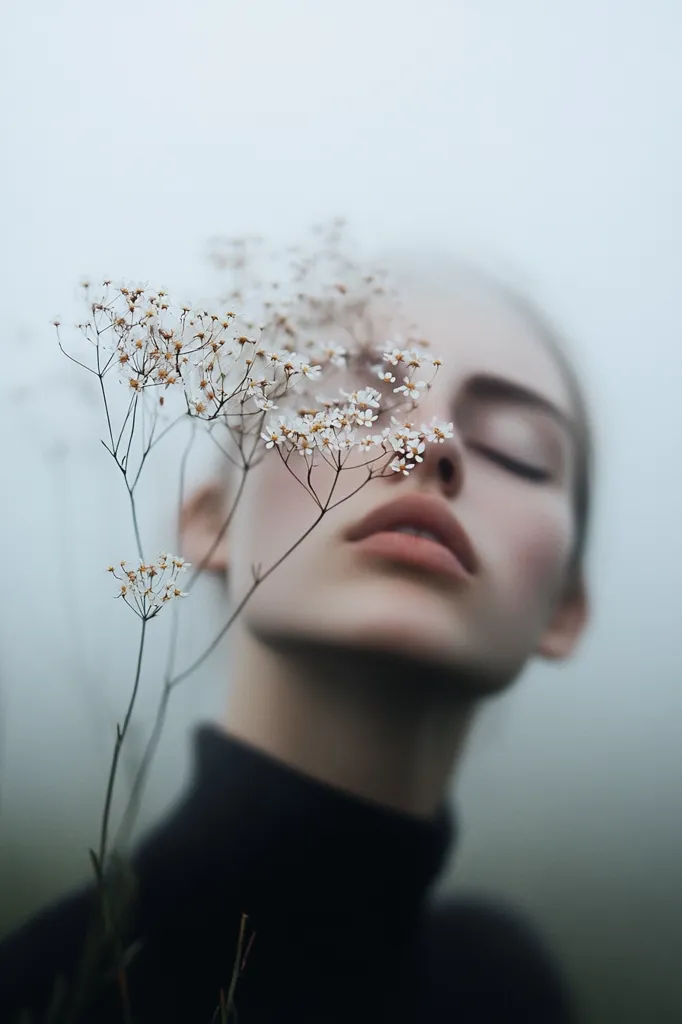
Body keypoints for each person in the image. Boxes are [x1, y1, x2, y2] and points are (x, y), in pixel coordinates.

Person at [0, 263, 592, 1023]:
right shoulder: (40, 994)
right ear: (211, 517)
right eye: (350, 400)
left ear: (565, 610)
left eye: (518, 448)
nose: (430, 442)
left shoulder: (507, 993)